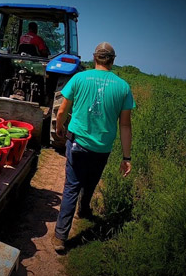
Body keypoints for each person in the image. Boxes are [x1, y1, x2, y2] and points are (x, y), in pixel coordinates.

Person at [51, 42, 135, 252]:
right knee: (92, 180)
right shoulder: (123, 87)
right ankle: (84, 209)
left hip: (77, 143)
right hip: (102, 148)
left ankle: (61, 237)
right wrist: (127, 158)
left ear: (95, 58)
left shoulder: (79, 78)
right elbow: (125, 125)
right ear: (113, 60)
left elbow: (61, 111)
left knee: (72, 186)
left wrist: (59, 129)